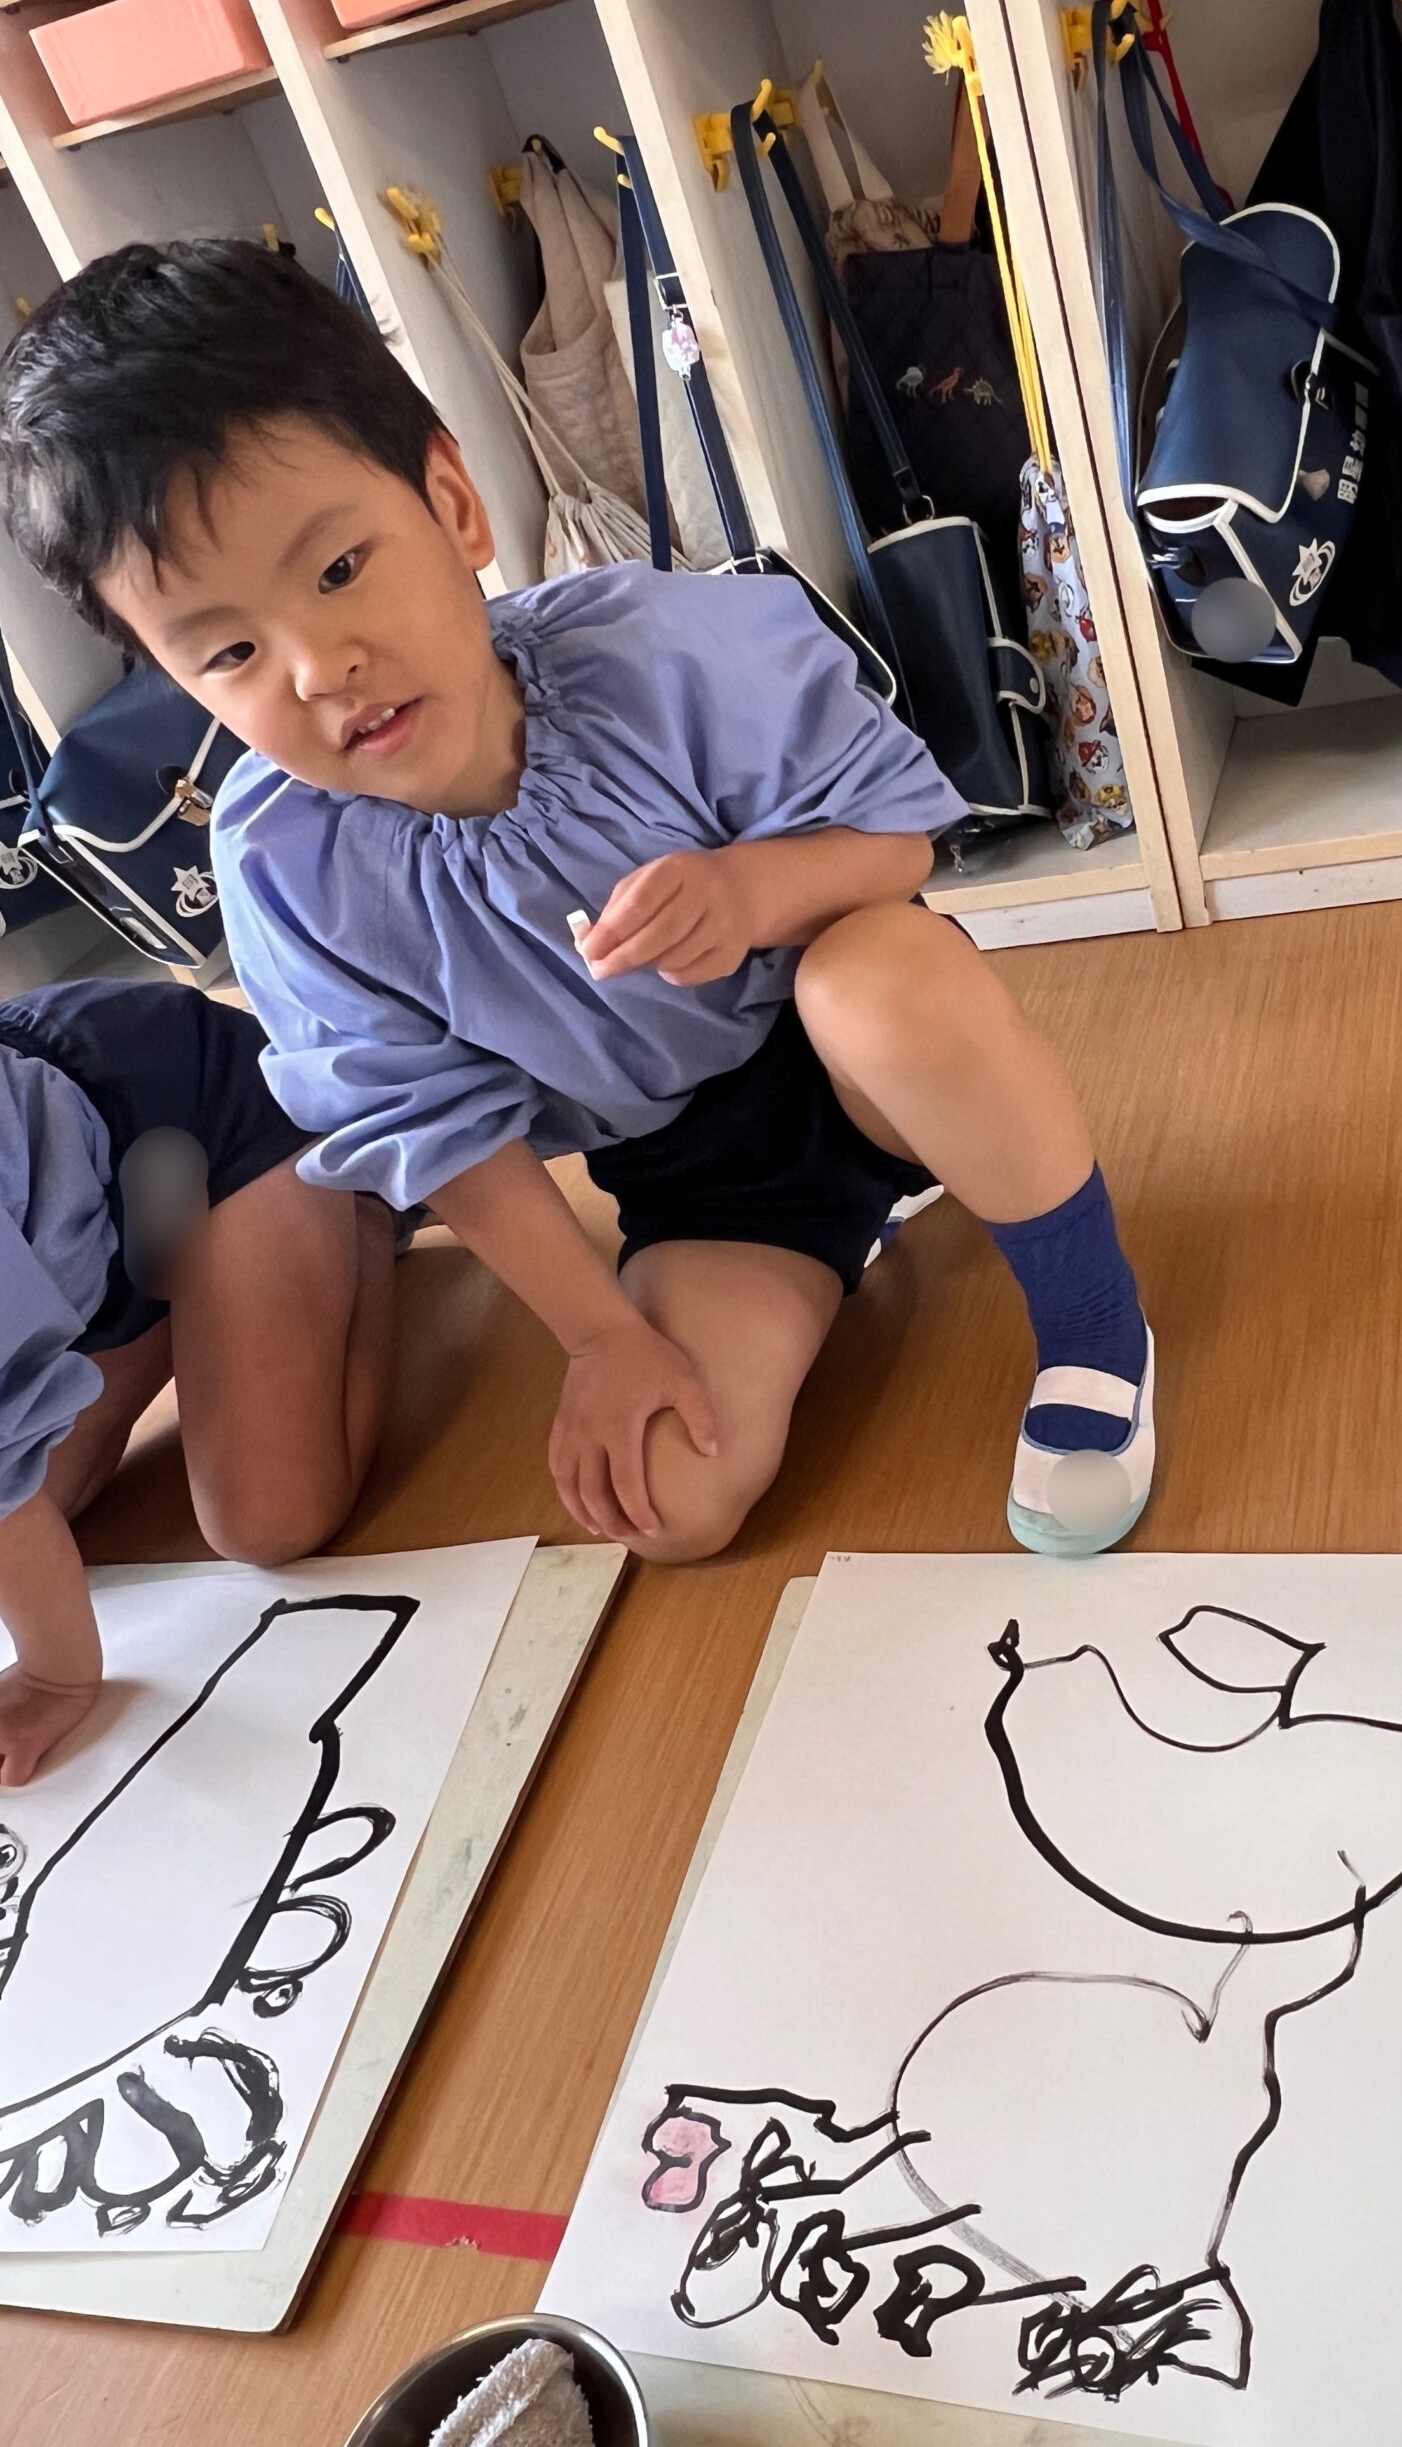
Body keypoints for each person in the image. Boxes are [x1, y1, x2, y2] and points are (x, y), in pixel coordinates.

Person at [0, 241, 1156, 1576]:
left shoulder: (664, 653)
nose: (319, 668)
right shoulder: (285, 868)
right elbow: (443, 1132)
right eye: (231, 651)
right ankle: (838, 1242)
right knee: (671, 1505)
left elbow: (900, 843)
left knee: (876, 979)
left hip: (858, 1052)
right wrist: (602, 1337)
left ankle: (1094, 1317)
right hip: (701, 1176)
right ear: (174, 682)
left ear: (453, 503)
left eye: (338, 569)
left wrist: (751, 889)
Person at [0, 976, 394, 1785]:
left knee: (268, 1520)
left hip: (196, 1117)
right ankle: (189, 1309)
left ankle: (363, 1202)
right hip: (83, 1209)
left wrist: (54, 1677)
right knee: (50, 1519)